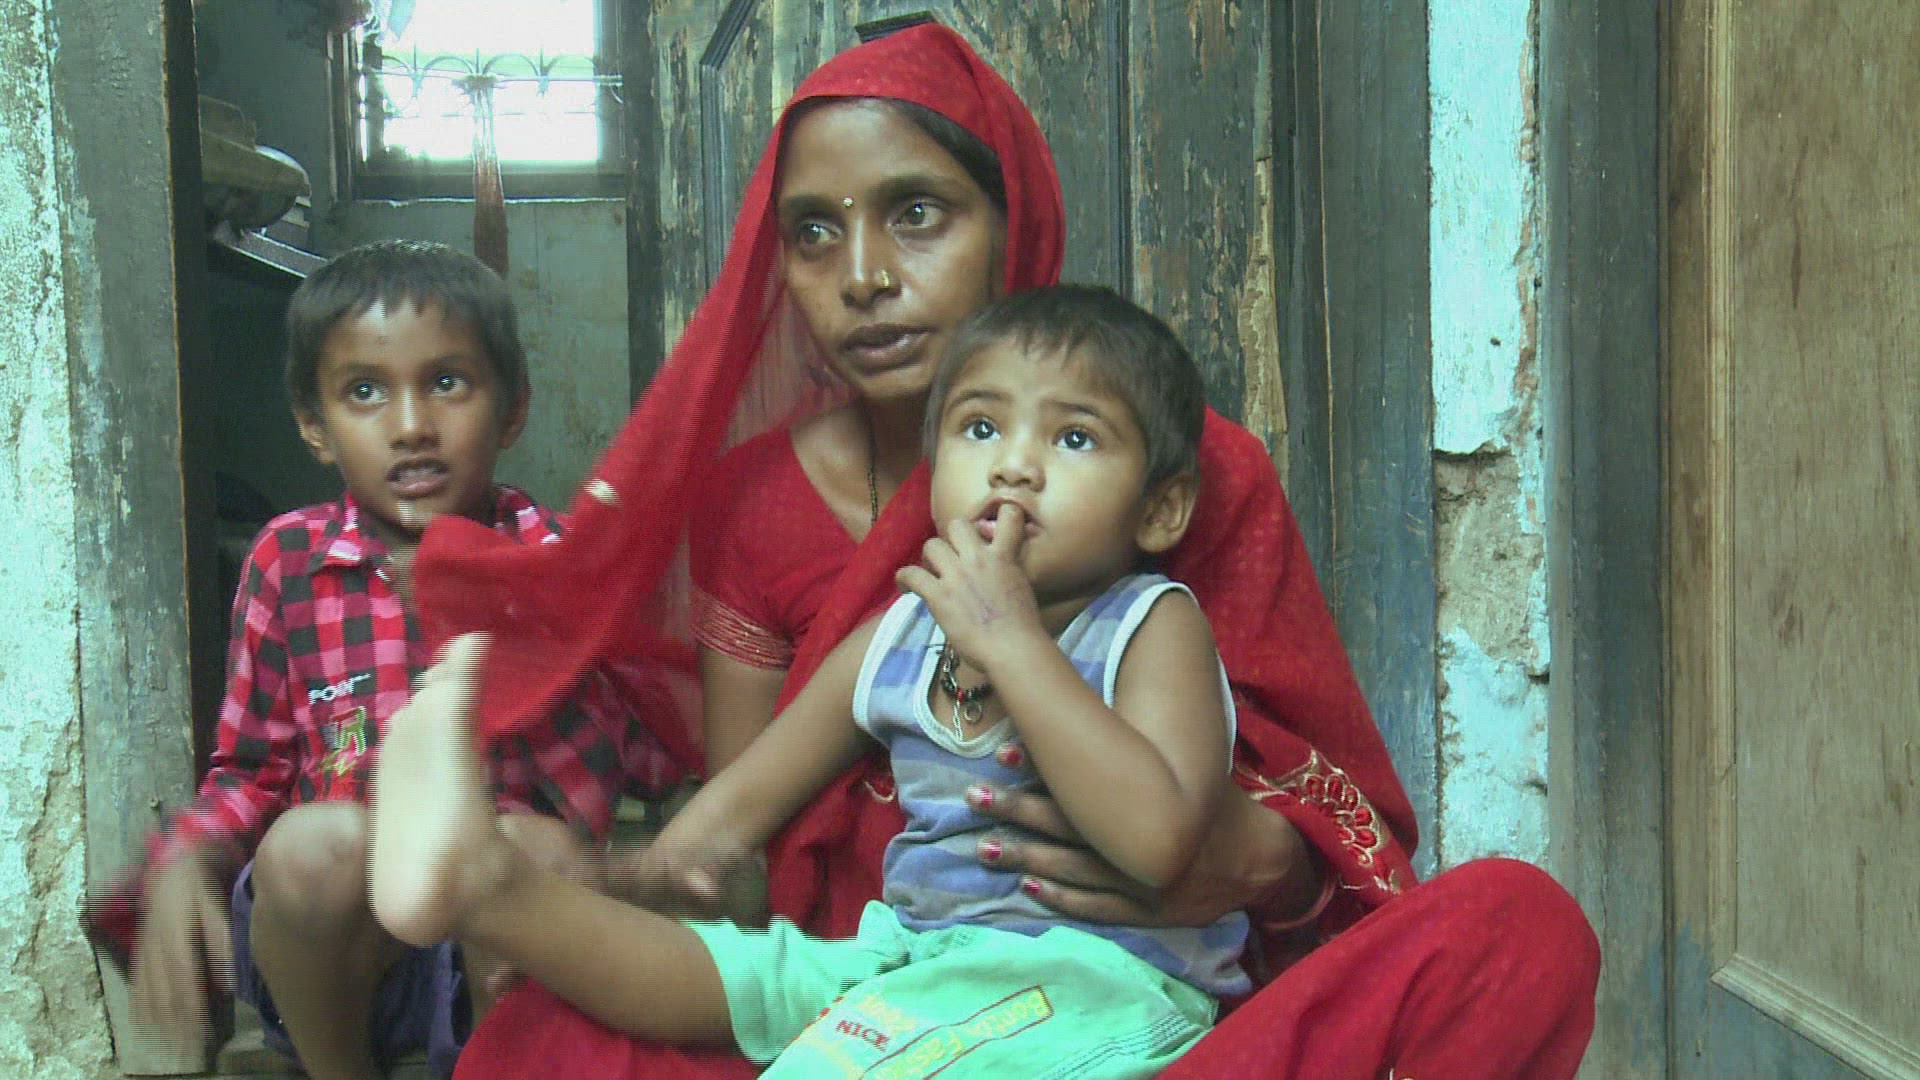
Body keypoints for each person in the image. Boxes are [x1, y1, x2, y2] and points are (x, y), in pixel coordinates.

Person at [411, 23, 1600, 1080]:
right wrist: (571, 892)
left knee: (1515, 929)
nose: (864, 276)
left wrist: (1250, 861)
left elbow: (1318, 840)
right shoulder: (756, 506)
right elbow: (737, 849)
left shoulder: (1189, 488)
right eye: (814, 233)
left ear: (1008, 220)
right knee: (539, 1040)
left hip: (1135, 1009)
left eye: (917, 213)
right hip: (875, 994)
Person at [372, 284, 1259, 1076]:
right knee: (738, 976)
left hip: (1098, 984)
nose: (1014, 465)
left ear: (1160, 510)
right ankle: (488, 887)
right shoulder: (901, 635)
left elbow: (1157, 841)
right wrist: (616, 883)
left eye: (1073, 438)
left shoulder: (1149, 624)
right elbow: (732, 812)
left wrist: (1014, 644)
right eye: (981, 428)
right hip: (913, 954)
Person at [84, 240, 661, 1080]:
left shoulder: (555, 560)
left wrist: (510, 634)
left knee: (528, 843)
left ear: (511, 410)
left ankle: (500, 1064)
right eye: (365, 391)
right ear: (314, 426)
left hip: (507, 933)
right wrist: (185, 859)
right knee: (310, 845)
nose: (411, 425)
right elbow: (249, 773)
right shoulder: (287, 562)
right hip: (347, 958)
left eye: (447, 382)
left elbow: (645, 755)